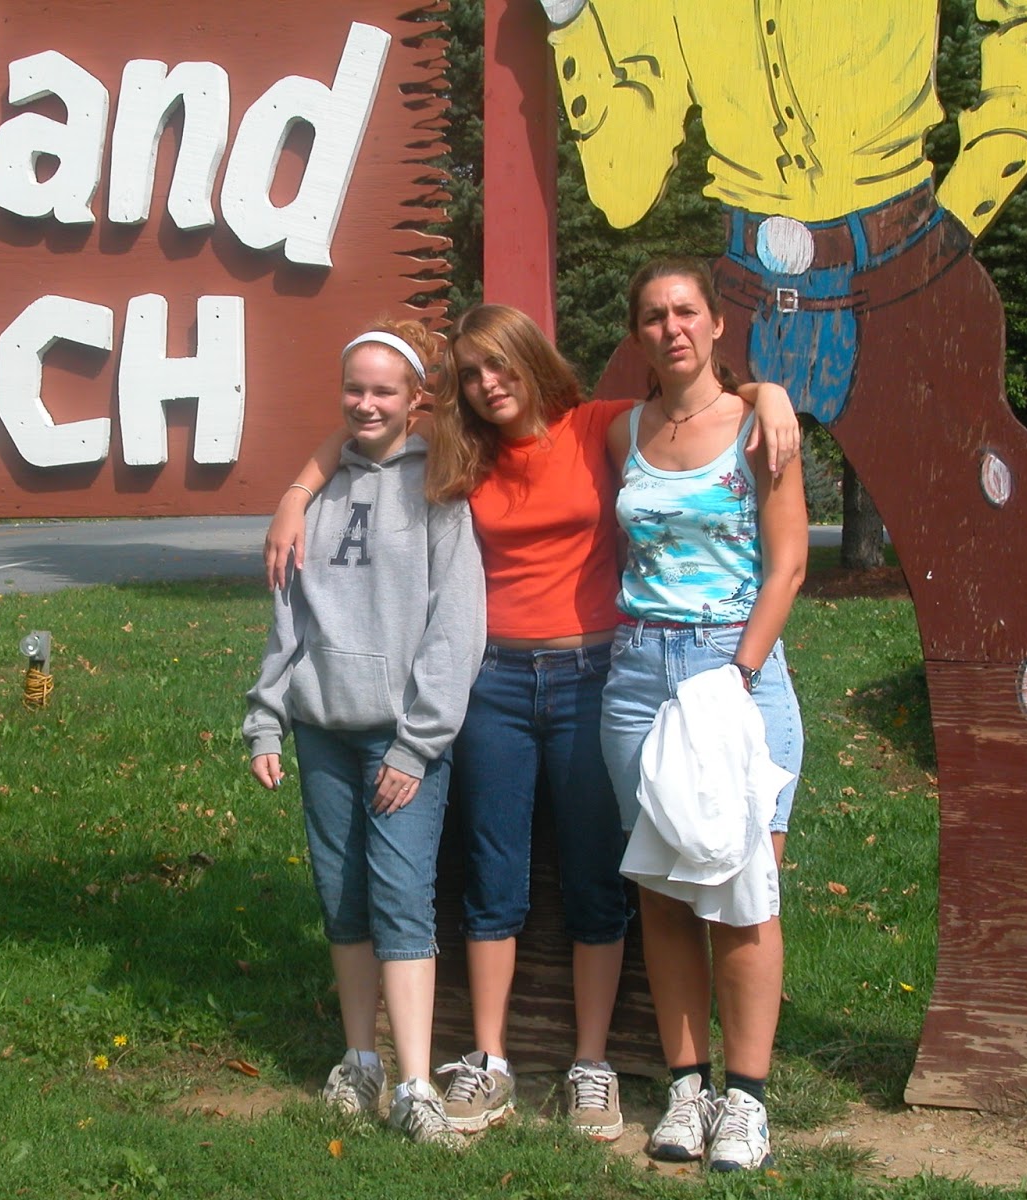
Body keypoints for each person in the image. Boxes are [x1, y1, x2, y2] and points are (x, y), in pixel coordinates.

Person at [263, 305, 799, 1142]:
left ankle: (592, 1063)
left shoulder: (596, 429)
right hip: (494, 683)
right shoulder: (460, 450)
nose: (488, 385)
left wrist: (770, 394)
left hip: (594, 674)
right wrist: (297, 495)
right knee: (492, 871)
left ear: (531, 362)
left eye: (501, 367)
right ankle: (490, 1058)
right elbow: (357, 433)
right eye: (472, 374)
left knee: (596, 874)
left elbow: (697, 400)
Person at [243, 320, 486, 1148]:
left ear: (414, 399)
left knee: (400, 898)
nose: (367, 404)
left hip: (400, 741)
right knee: (343, 899)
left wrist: (419, 745)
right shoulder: (316, 496)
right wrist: (267, 717)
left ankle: (416, 1082)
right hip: (322, 732)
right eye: (355, 389)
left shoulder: (439, 494)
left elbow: (456, 631)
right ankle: (361, 1060)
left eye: (384, 391)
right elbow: (288, 615)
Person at [599, 258, 807, 1172]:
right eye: (652, 315)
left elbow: (790, 562)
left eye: (685, 311)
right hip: (639, 674)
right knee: (665, 889)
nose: (670, 327)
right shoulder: (624, 434)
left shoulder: (759, 430)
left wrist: (741, 672)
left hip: (736, 668)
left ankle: (748, 1101)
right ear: (638, 334)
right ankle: (687, 1090)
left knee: (746, 888)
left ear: (717, 324)